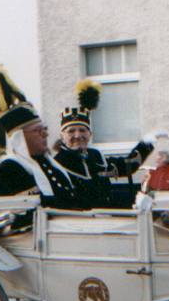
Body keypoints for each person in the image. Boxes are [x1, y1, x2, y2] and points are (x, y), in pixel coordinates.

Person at [0, 68, 78, 209]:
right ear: (21, 139)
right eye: (38, 131)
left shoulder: (48, 163)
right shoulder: (10, 169)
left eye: (45, 129)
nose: (45, 134)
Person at [54, 79, 153, 208]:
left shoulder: (95, 155)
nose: (77, 136)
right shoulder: (57, 163)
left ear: (90, 134)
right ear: (62, 136)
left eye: (82, 130)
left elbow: (127, 165)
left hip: (105, 220)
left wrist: (146, 144)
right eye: (71, 131)